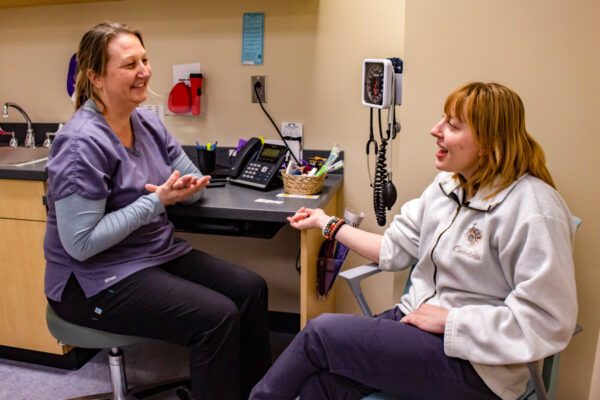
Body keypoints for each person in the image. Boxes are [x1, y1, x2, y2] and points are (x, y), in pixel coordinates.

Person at [249, 82, 577, 400]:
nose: (436, 130)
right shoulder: (445, 189)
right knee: (323, 385)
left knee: (320, 335)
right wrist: (327, 223)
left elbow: (547, 320)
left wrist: (453, 321)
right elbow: (392, 251)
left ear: (490, 142)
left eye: (452, 125)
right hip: (414, 327)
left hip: (476, 365)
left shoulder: (534, 209)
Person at [44, 22, 271, 400]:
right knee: (215, 317)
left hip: (149, 255)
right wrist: (157, 201)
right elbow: (81, 244)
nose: (144, 71)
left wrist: (187, 190)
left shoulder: (147, 122)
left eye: (145, 60)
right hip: (91, 280)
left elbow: (190, 177)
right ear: (96, 77)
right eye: (130, 64)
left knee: (250, 289)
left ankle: (258, 395)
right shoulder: (80, 143)